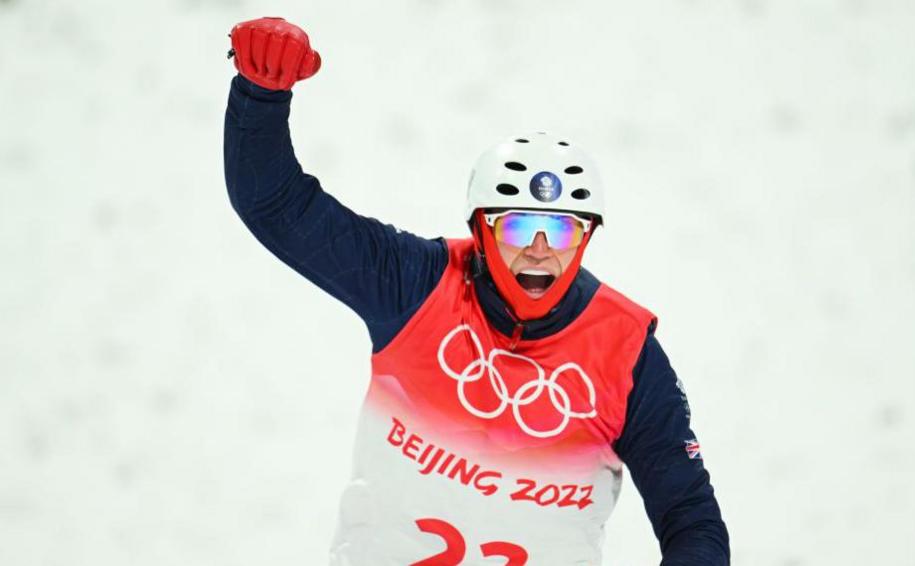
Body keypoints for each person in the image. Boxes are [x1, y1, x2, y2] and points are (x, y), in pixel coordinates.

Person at [223, 16, 729, 566]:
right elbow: (275, 205)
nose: (539, 249)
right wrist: (261, 94)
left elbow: (691, 519)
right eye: (517, 228)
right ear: (481, 230)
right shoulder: (413, 285)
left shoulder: (626, 352)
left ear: (585, 239)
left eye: (561, 230)